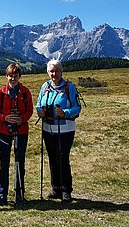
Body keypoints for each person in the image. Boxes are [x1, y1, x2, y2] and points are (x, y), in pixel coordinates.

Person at [36, 59, 81, 203]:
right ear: (48, 72)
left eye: (56, 71)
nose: (54, 74)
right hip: (48, 129)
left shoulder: (69, 87)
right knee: (52, 159)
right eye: (51, 71)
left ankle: (66, 190)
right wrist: (40, 112)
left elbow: (77, 107)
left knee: (62, 158)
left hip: (65, 130)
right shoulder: (45, 86)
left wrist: (65, 113)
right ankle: (55, 188)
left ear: (61, 71)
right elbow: (38, 104)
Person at [0, 63, 33, 205]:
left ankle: (19, 193)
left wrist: (22, 119)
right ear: (6, 76)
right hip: (4, 131)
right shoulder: (0, 93)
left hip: (21, 131)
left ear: (19, 77)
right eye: (10, 76)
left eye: (15, 76)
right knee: (4, 162)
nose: (12, 78)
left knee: (20, 161)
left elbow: (29, 111)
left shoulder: (26, 92)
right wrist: (5, 118)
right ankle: (2, 194)